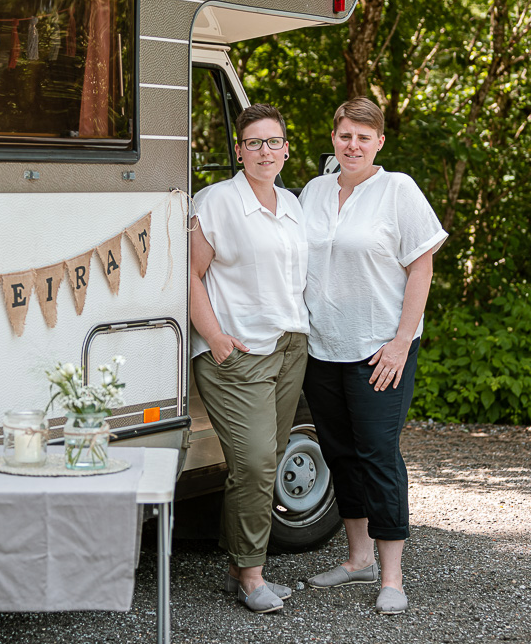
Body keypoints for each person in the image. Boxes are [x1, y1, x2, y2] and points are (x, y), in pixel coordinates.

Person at [298, 97, 447, 615]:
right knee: (339, 454)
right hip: (322, 348)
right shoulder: (314, 191)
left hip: (380, 349)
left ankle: (391, 575)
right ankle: (357, 556)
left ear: (379, 141)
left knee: (378, 455)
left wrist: (402, 341)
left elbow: (421, 268)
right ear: (333, 138)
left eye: (364, 136)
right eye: (345, 136)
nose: (353, 145)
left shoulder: (398, 189)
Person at [189, 103, 309, 614]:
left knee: (259, 462)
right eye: (254, 142)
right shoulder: (215, 202)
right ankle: (252, 576)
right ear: (238, 150)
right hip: (237, 351)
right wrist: (213, 336)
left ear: (286, 148)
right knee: (257, 462)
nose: (266, 151)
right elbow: (190, 275)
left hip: (289, 347)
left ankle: (239, 565)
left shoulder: (292, 204)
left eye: (274, 141)